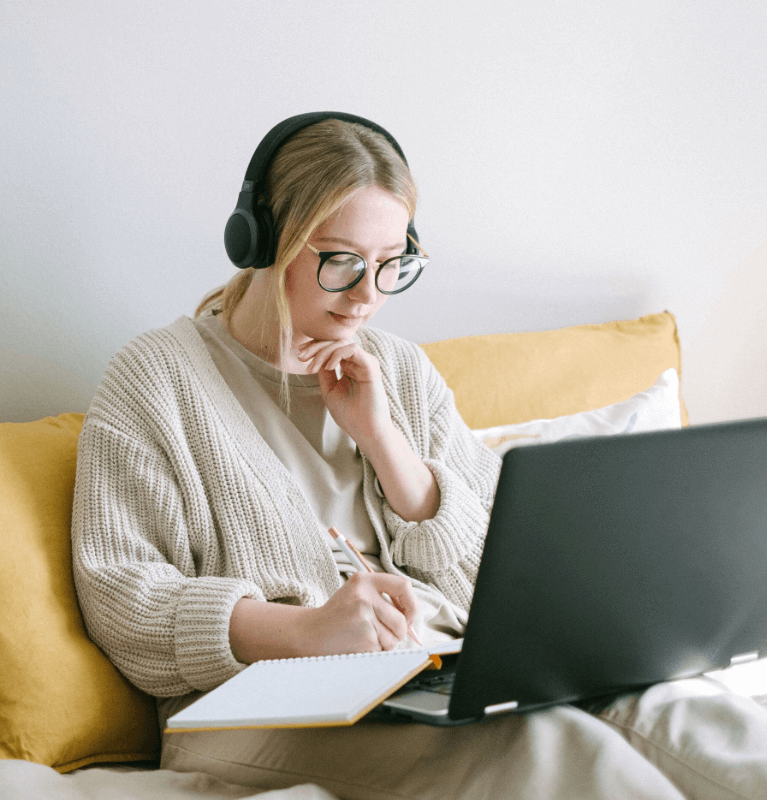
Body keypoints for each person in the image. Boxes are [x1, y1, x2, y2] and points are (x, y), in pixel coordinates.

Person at [71, 112, 767, 800]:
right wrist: (307, 630)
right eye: (340, 262)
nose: (367, 298)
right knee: (557, 752)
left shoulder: (397, 370)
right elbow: (122, 598)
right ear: (260, 239)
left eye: (388, 265)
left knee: (687, 715)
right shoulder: (156, 379)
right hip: (253, 712)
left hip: (440, 674)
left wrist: (385, 443)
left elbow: (508, 568)